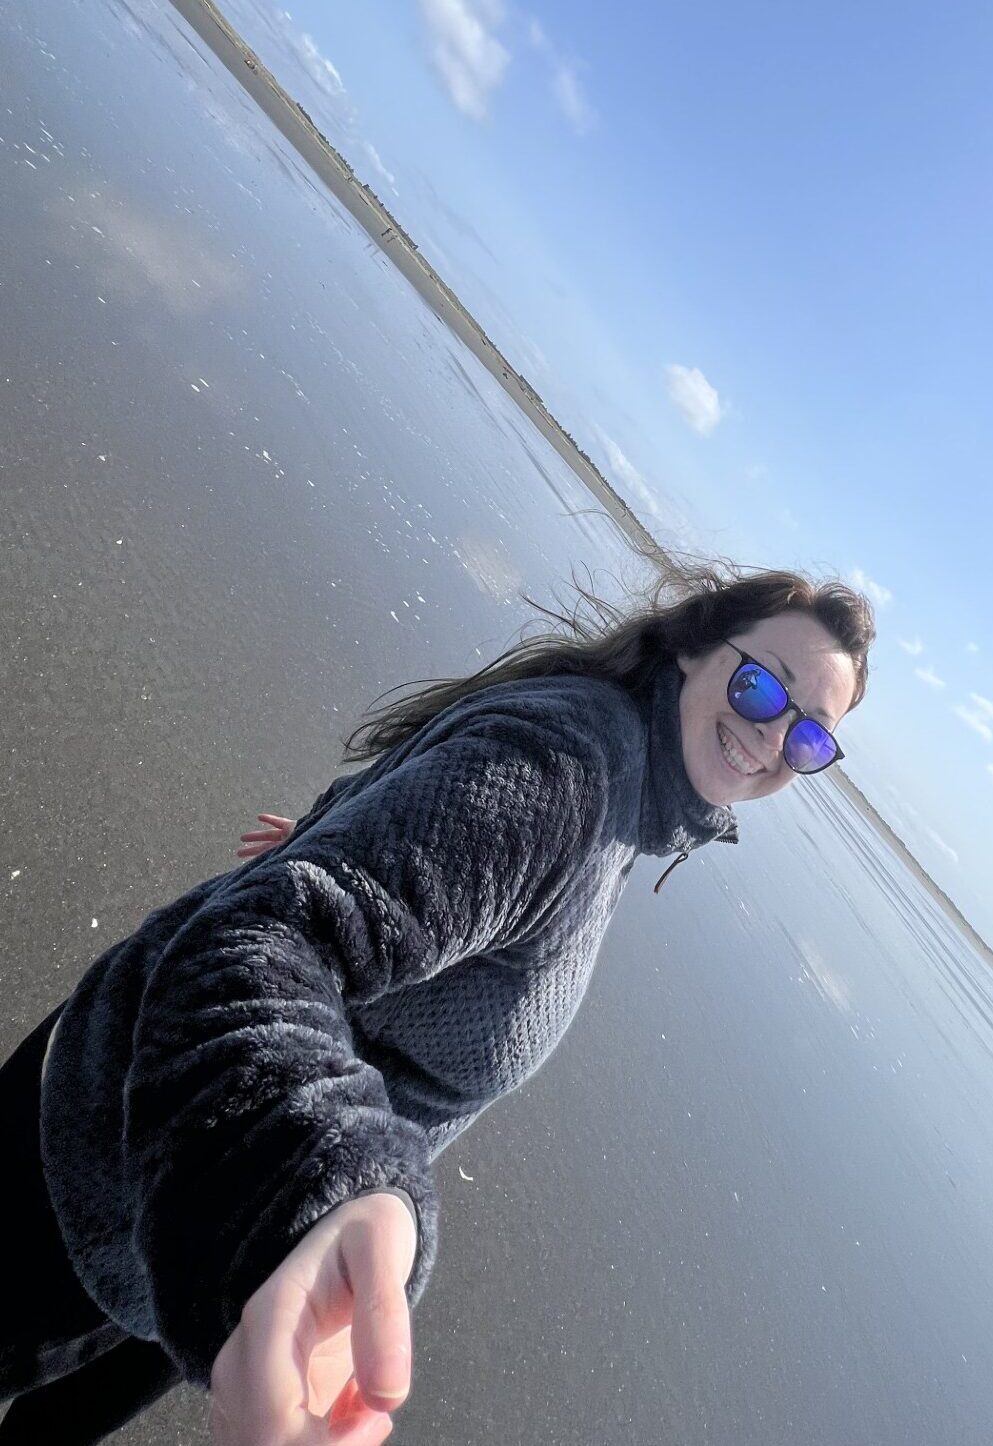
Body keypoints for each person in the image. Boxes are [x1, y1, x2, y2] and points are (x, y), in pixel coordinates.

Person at [0, 553, 874, 1445]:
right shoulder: (573, 771)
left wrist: (328, 834)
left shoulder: (620, 780)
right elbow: (265, 945)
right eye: (765, 688)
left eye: (809, 738)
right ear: (695, 648)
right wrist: (331, 1192)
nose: (773, 738)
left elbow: (413, 846)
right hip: (110, 1185)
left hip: (210, 1237)